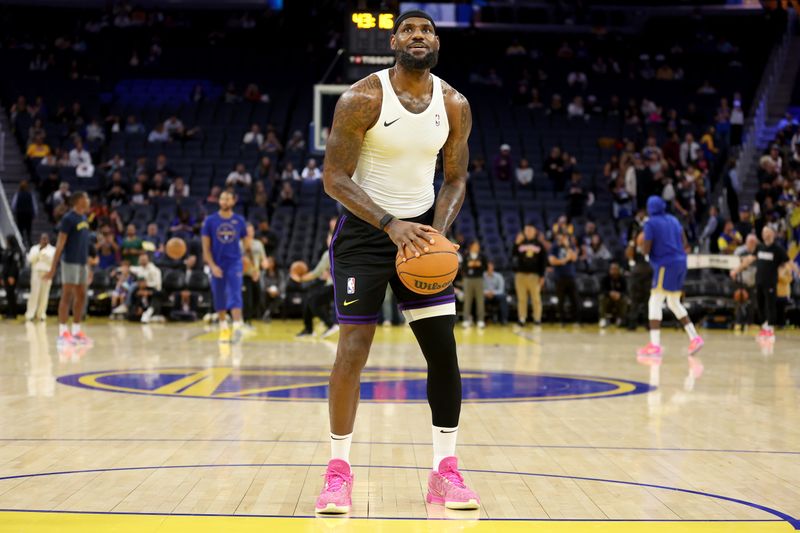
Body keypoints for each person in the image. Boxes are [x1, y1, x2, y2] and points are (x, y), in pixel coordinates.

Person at [316, 10, 478, 514]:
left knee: (443, 352)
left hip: (420, 235)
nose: (418, 36)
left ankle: (445, 472)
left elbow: (454, 179)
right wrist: (391, 224)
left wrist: (435, 234)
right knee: (353, 349)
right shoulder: (361, 97)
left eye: (427, 30)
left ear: (436, 44)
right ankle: (338, 471)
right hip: (366, 235)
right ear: (393, 42)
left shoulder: (454, 104)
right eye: (409, 30)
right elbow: (334, 178)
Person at [637, 196, 704, 359]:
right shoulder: (674, 220)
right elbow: (685, 241)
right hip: (681, 262)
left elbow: (646, 247)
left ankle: (655, 345)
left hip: (665, 264)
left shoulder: (650, 223)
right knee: (673, 302)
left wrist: (643, 250)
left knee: (655, 301)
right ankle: (694, 337)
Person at [730, 227, 798, 341]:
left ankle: (770, 330)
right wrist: (736, 270)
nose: (765, 234)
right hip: (759, 281)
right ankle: (764, 328)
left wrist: (797, 272)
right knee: (760, 305)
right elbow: (749, 260)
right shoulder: (760, 247)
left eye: (767, 232)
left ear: (773, 234)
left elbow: (789, 262)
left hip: (770, 282)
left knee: (770, 305)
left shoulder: (777, 249)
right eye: (763, 232)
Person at [201, 190, 251, 343]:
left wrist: (249, 260)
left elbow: (246, 242)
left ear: (233, 201)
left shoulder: (239, 220)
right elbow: (206, 248)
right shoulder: (210, 221)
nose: (224, 201)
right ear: (219, 201)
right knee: (219, 294)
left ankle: (236, 326)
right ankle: (223, 327)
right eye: (222, 198)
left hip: (234, 262)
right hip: (217, 263)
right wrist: (212, 265)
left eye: (227, 199)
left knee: (236, 293)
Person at [43, 192, 92, 345]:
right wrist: (53, 268)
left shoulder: (84, 218)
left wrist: (88, 266)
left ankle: (76, 331)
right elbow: (60, 244)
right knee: (67, 295)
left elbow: (85, 246)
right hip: (69, 261)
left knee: (82, 295)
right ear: (78, 201)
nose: (89, 200)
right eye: (86, 198)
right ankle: (63, 332)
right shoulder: (68, 218)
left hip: (82, 262)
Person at [294, 235, 338, 339]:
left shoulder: (329, 253)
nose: (328, 240)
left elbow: (316, 273)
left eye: (329, 237)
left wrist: (300, 278)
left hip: (333, 285)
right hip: (338, 285)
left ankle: (330, 324)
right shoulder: (340, 252)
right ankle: (309, 329)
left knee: (312, 302)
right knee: (309, 300)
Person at [512, 225, 547, 326]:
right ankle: (522, 319)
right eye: (526, 230)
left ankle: (537, 319)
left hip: (534, 275)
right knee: (521, 299)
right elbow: (513, 254)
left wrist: (542, 276)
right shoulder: (520, 243)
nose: (528, 231)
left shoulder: (539, 244)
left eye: (530, 230)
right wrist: (516, 243)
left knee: (536, 298)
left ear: (535, 231)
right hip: (520, 275)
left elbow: (543, 262)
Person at [548, 234, 580, 325]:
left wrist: (567, 247)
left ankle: (576, 320)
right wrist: (565, 260)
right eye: (561, 238)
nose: (562, 240)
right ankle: (562, 320)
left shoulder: (571, 246)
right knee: (561, 300)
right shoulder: (554, 247)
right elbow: (552, 261)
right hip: (559, 277)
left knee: (574, 299)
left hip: (571, 277)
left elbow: (574, 258)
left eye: (564, 238)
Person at [25, 233, 56, 321]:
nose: (44, 240)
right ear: (40, 239)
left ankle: (41, 314)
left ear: (48, 239)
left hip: (47, 274)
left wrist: (44, 257)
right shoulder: (34, 248)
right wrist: (40, 252)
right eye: (43, 238)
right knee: (34, 294)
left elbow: (53, 261)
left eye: (46, 239)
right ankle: (30, 314)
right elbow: (30, 259)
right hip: (36, 273)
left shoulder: (53, 249)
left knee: (44, 295)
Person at [242, 223, 266, 323]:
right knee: (247, 299)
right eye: (247, 231)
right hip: (245, 275)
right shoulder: (239, 244)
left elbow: (263, 258)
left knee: (258, 297)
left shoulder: (258, 244)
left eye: (251, 231)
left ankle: (251, 317)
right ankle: (246, 320)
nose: (249, 233)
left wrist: (264, 264)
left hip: (256, 275)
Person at [128, 253, 163, 323]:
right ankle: (136, 309)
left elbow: (158, 285)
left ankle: (149, 312)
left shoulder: (154, 270)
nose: (142, 261)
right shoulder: (140, 268)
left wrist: (147, 289)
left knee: (134, 287)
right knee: (134, 290)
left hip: (153, 290)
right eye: (141, 260)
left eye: (144, 259)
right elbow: (131, 268)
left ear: (148, 260)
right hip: (142, 289)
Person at [461, 239, 486, 328]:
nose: (477, 247)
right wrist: (469, 265)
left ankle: (481, 320)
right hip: (468, 279)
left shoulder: (482, 256)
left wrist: (479, 265)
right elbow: (462, 268)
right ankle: (466, 320)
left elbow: (485, 268)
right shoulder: (466, 255)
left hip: (479, 279)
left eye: (478, 246)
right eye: (475, 246)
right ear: (471, 246)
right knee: (467, 300)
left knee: (480, 300)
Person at [599, 262, 628, 328]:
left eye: (616, 269)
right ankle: (602, 319)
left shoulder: (622, 279)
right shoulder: (605, 278)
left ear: (618, 270)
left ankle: (621, 318)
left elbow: (626, 291)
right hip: (608, 297)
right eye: (612, 269)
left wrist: (619, 294)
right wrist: (609, 293)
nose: (614, 271)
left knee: (625, 299)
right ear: (609, 270)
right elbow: (601, 290)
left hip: (618, 298)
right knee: (602, 298)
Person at [2, 236, 25, 319]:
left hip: (11, 276)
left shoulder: (16, 251)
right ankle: (9, 313)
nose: (6, 242)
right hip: (5, 275)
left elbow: (15, 265)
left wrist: (11, 276)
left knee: (12, 295)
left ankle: (13, 314)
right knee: (8, 295)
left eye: (7, 240)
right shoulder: (7, 250)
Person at [11, 180, 37, 246]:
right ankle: (28, 241)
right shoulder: (30, 194)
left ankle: (22, 242)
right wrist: (34, 214)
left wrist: (15, 212)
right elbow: (34, 206)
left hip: (20, 214)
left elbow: (13, 205)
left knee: (21, 229)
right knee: (28, 229)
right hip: (28, 214)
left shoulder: (18, 194)